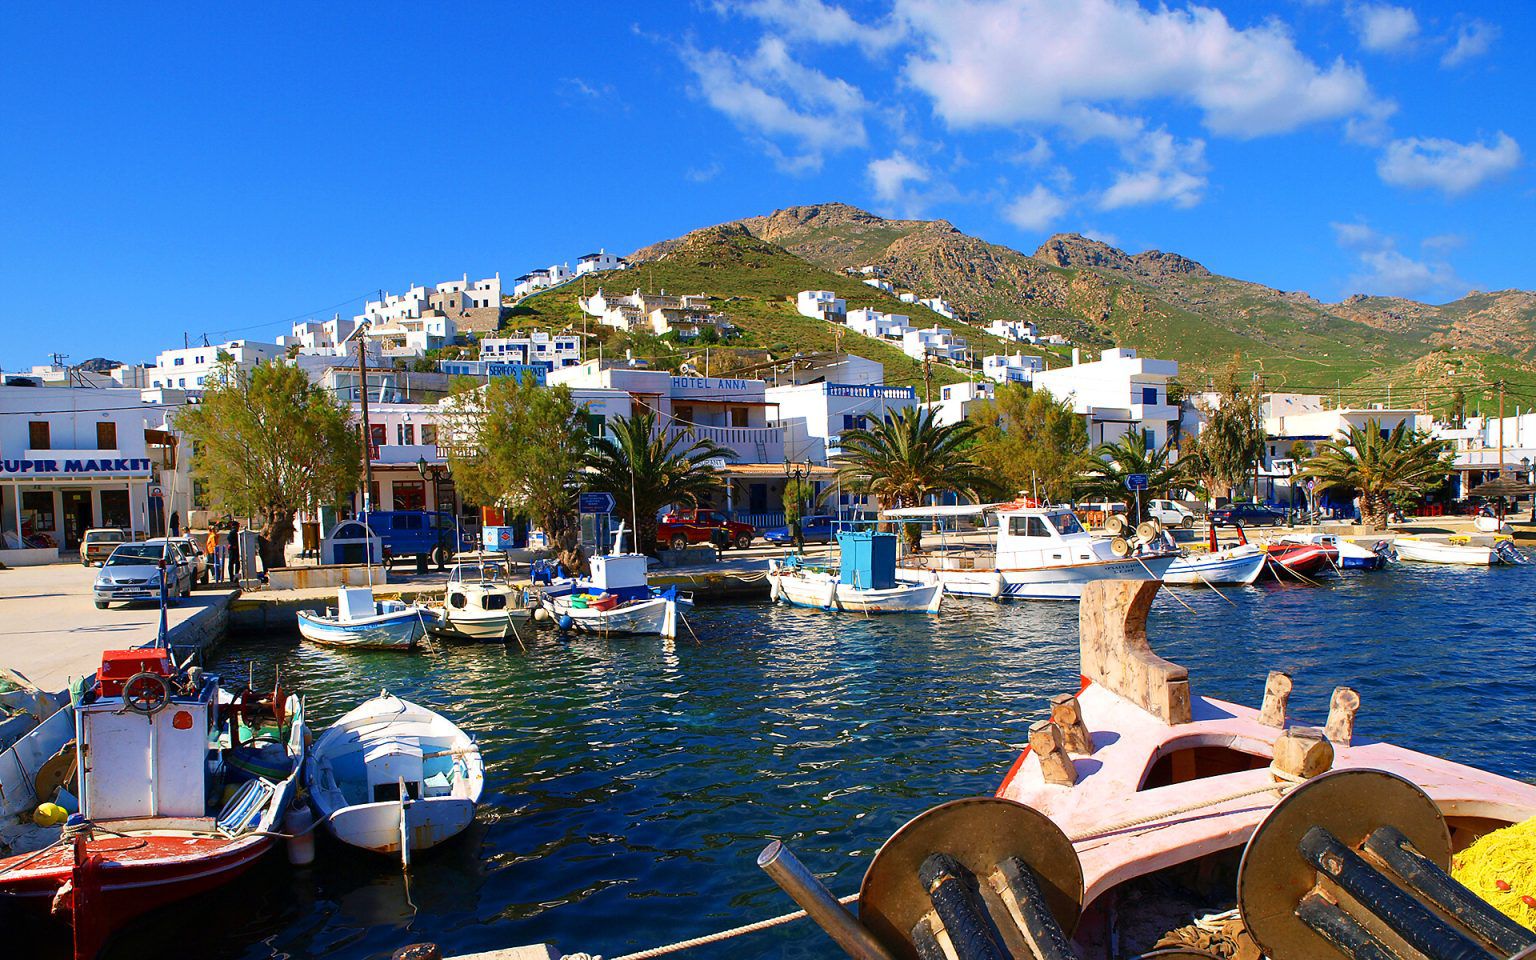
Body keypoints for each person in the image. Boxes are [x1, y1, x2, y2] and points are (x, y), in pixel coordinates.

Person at [228, 519, 242, 583]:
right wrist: (233, 545)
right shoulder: (233, 531)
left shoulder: (234, 531)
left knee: (234, 563)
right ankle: (233, 576)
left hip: (234, 549)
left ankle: (234, 576)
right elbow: (229, 538)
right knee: (234, 563)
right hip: (233, 550)